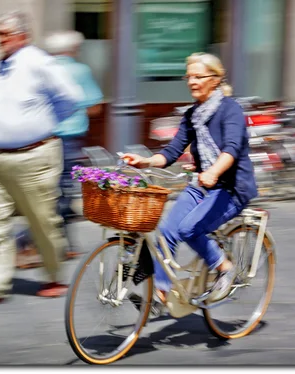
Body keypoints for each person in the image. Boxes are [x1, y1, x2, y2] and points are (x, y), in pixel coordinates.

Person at [0, 11, 84, 306]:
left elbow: (71, 98)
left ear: (22, 35)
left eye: (4, 34)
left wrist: (43, 124)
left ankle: (53, 276)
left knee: (42, 222)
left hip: (33, 155)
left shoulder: (38, 61)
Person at [122, 52, 258, 305]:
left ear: (215, 79)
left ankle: (224, 267)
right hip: (202, 186)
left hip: (231, 188)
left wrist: (214, 172)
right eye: (189, 77)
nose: (192, 82)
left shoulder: (231, 110)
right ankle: (160, 296)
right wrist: (146, 161)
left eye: (199, 77)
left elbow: (231, 149)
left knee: (189, 228)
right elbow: (172, 152)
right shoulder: (192, 115)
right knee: (166, 231)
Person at [15, 30, 103, 268]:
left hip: (42, 138)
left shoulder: (42, 69)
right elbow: (93, 105)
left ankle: (63, 245)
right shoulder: (78, 70)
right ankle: (23, 240)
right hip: (68, 139)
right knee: (62, 195)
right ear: (73, 49)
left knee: (54, 192)